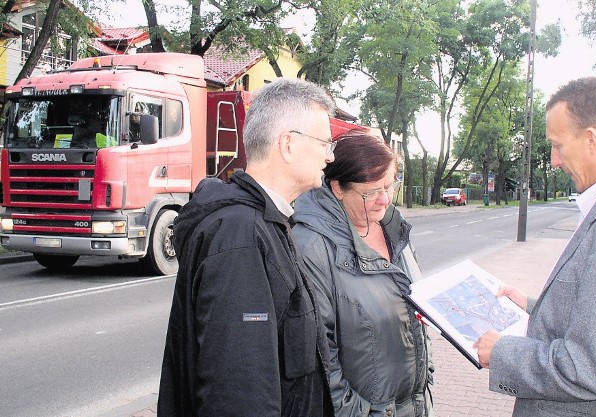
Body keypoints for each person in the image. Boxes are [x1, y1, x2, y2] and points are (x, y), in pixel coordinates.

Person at [158, 78, 337, 417]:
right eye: (325, 143)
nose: (329, 156)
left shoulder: (266, 223)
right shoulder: (241, 236)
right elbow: (238, 391)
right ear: (287, 145)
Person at [473, 77, 596, 416]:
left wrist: (503, 352)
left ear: (591, 139)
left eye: (558, 145)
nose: (554, 161)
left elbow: (591, 369)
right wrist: (536, 306)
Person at [292, 132, 435, 417]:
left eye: (390, 185)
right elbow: (321, 357)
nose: (385, 200)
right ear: (338, 188)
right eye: (371, 191)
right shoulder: (311, 247)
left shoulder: (395, 229)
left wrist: (425, 378)